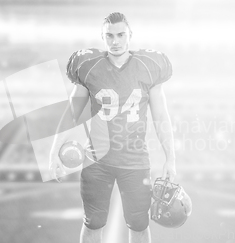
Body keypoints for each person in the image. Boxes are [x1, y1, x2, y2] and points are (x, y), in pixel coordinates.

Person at [49, 12, 176, 243]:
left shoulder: (148, 67)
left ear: (130, 35)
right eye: (109, 36)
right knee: (93, 224)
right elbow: (72, 112)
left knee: (139, 224)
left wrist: (171, 158)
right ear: (102, 37)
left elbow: (161, 116)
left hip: (135, 160)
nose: (115, 41)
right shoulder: (89, 67)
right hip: (97, 161)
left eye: (120, 35)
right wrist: (53, 152)